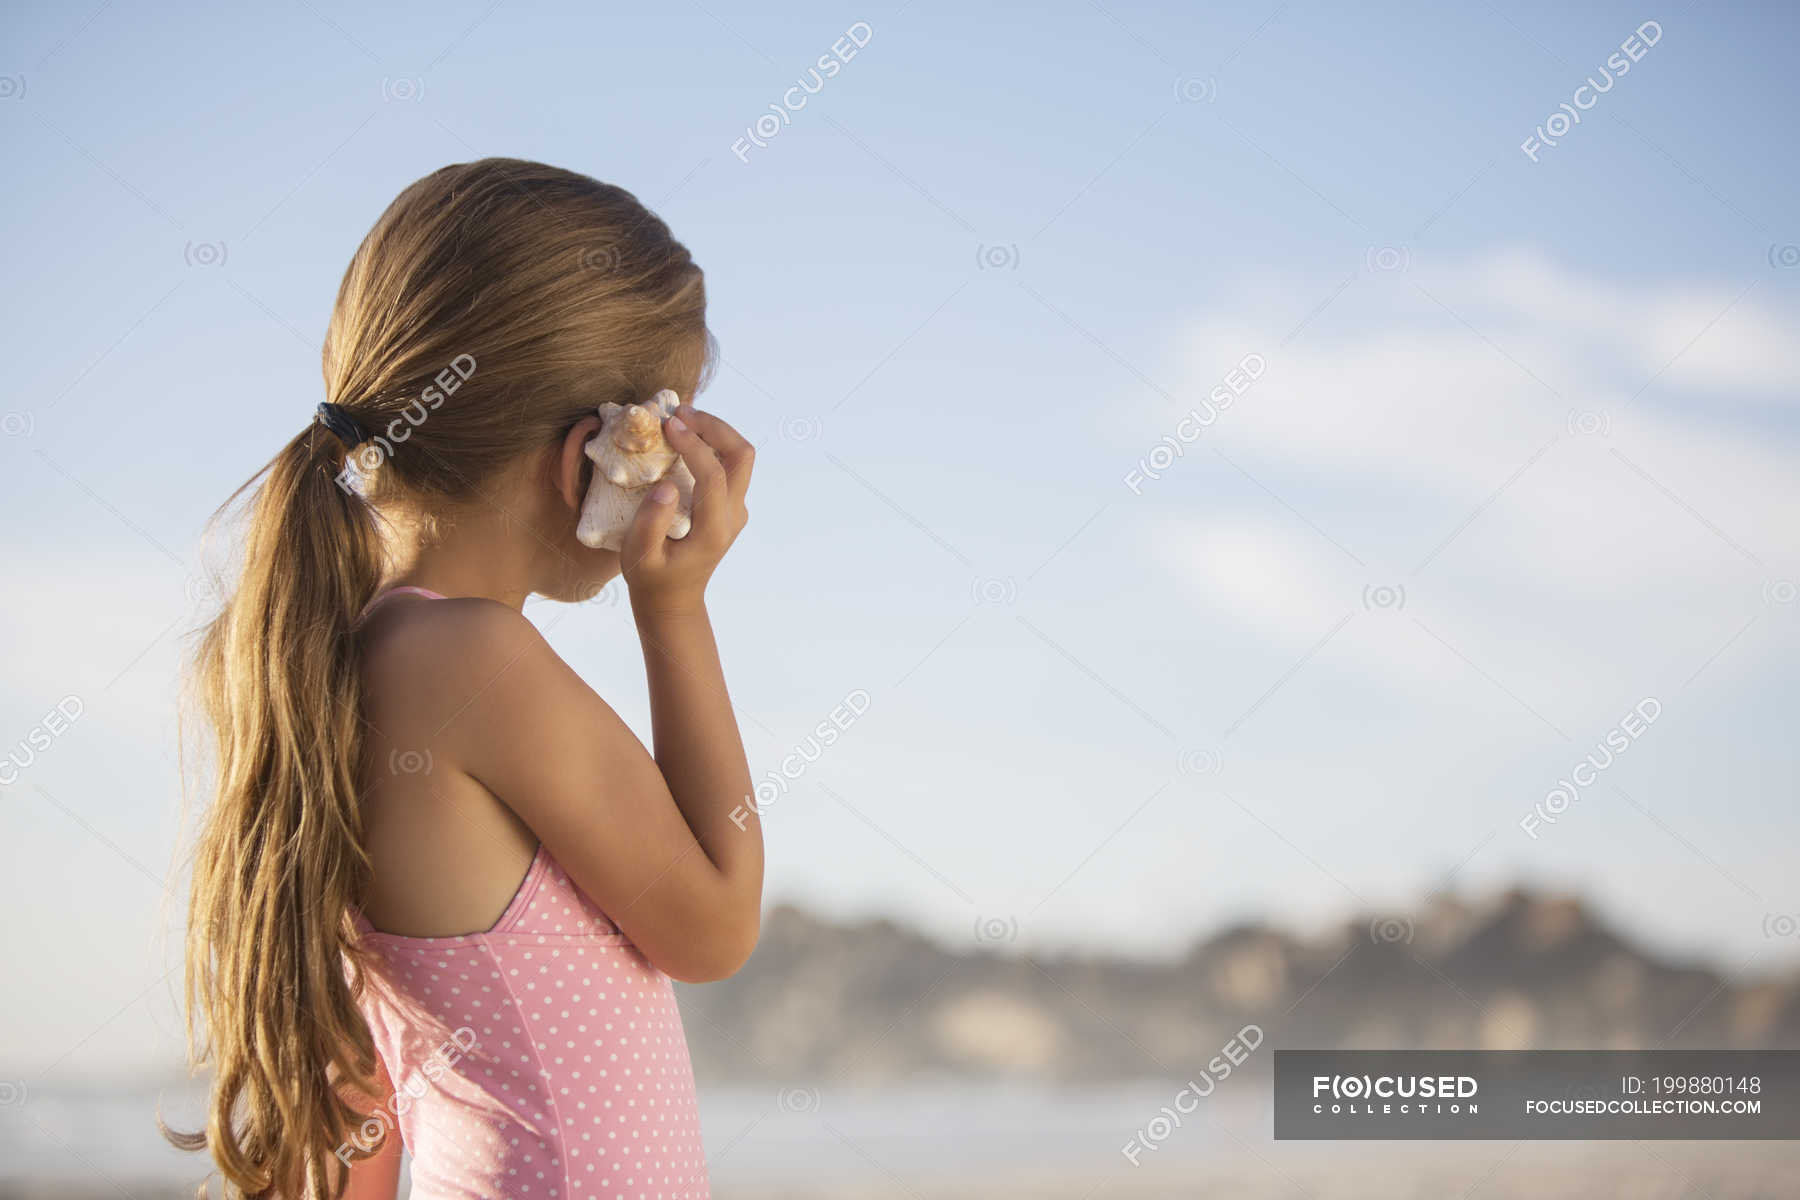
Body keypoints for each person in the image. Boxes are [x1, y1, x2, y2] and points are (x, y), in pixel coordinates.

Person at [171, 159, 760, 1199]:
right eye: (670, 430)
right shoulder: (473, 662)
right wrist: (675, 610)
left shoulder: (337, 655)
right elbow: (714, 926)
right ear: (597, 454)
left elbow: (357, 1096)